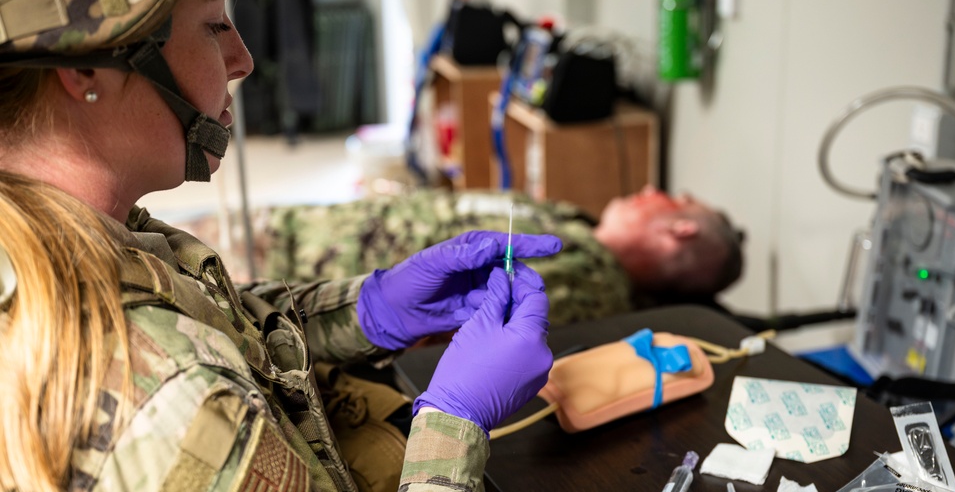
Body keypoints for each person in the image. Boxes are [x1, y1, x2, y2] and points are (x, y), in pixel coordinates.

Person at [0, 0, 562, 492]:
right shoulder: (165, 403)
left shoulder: (61, 235)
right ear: (86, 66)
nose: (241, 59)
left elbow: (205, 324)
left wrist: (368, 309)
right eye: (213, 24)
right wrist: (454, 427)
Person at [255, 186, 745, 326]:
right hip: (299, 234)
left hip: (294, 282)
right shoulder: (580, 227)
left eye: (673, 198)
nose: (650, 189)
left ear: (679, 230)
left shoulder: (588, 283)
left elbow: (452, 324)